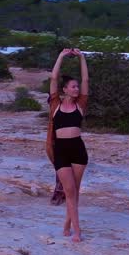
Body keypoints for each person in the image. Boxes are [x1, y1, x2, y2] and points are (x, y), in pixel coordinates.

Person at [47, 48, 89, 242]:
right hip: (61, 151)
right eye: (73, 86)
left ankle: (67, 223)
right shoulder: (55, 104)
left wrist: (82, 57)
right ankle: (77, 231)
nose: (76, 88)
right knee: (69, 190)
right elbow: (53, 78)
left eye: (77, 86)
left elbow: (86, 80)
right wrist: (61, 56)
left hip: (78, 150)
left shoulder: (80, 104)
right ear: (65, 89)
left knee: (75, 191)